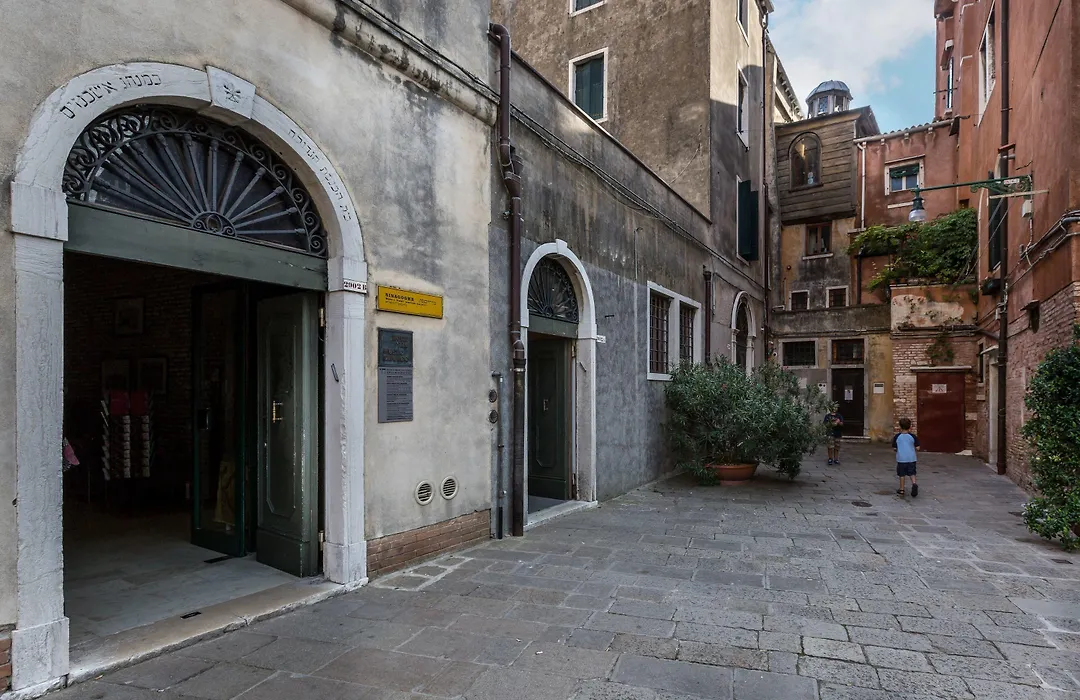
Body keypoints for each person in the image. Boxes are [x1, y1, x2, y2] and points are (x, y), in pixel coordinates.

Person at [892, 417, 920, 497]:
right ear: (910, 426)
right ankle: (914, 484)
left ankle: (901, 489)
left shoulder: (897, 437)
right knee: (912, 472)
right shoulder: (913, 436)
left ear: (900, 426)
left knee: (902, 474)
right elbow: (918, 448)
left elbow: (894, 448)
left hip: (901, 459)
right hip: (911, 458)